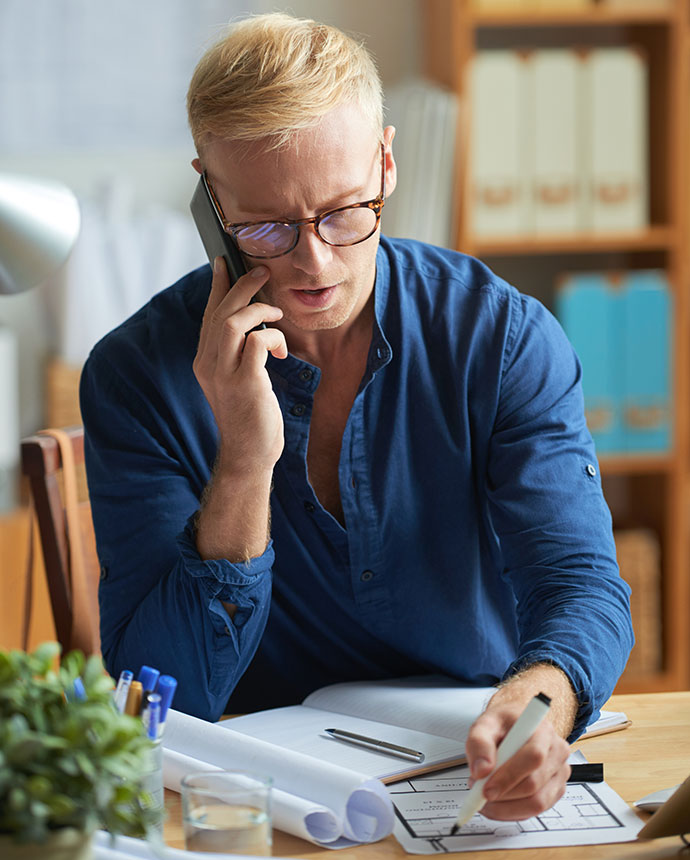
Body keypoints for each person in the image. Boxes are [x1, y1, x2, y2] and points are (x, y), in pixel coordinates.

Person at [80, 12, 633, 822]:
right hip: (251, 802)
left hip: (471, 771)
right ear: (210, 195)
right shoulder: (135, 375)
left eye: (345, 212)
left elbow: (580, 583)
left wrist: (543, 703)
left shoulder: (502, 338)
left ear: (385, 160)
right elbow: (162, 695)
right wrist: (242, 459)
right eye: (265, 226)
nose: (313, 262)